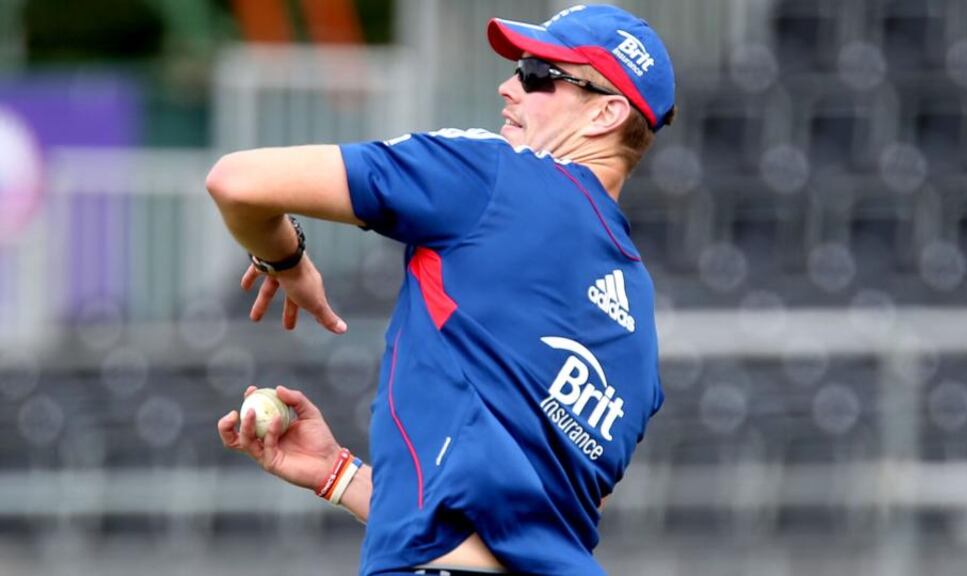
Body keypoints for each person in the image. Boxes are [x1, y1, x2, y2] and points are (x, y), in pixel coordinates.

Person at [211, 4, 676, 575]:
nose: (509, 87)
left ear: (606, 112)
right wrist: (338, 474)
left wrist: (285, 259)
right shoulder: (641, 326)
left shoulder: (497, 175)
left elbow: (237, 182)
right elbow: (526, 530)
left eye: (538, 74)